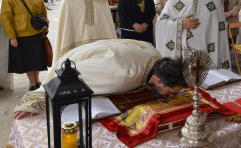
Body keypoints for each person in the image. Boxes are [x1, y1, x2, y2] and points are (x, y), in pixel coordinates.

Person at [12, 39, 187, 118]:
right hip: (72, 64)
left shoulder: (155, 55)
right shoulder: (124, 74)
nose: (170, 96)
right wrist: (36, 98)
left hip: (89, 52)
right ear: (158, 81)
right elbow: (77, 75)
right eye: (170, 92)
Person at [156, 0, 231, 69]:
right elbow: (160, 24)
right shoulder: (174, 0)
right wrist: (180, 24)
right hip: (180, 60)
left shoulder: (215, 3)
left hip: (206, 60)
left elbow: (221, 37)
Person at [54, 0, 117, 64]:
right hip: (77, 54)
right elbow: (64, 31)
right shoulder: (68, 1)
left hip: (101, 53)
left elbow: (108, 27)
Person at [0, 0, 49, 91]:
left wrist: (45, 29)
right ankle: (32, 82)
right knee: (27, 60)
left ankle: (37, 80)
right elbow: (6, 18)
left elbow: (43, 11)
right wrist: (12, 37)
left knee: (37, 58)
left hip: (37, 31)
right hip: (22, 34)